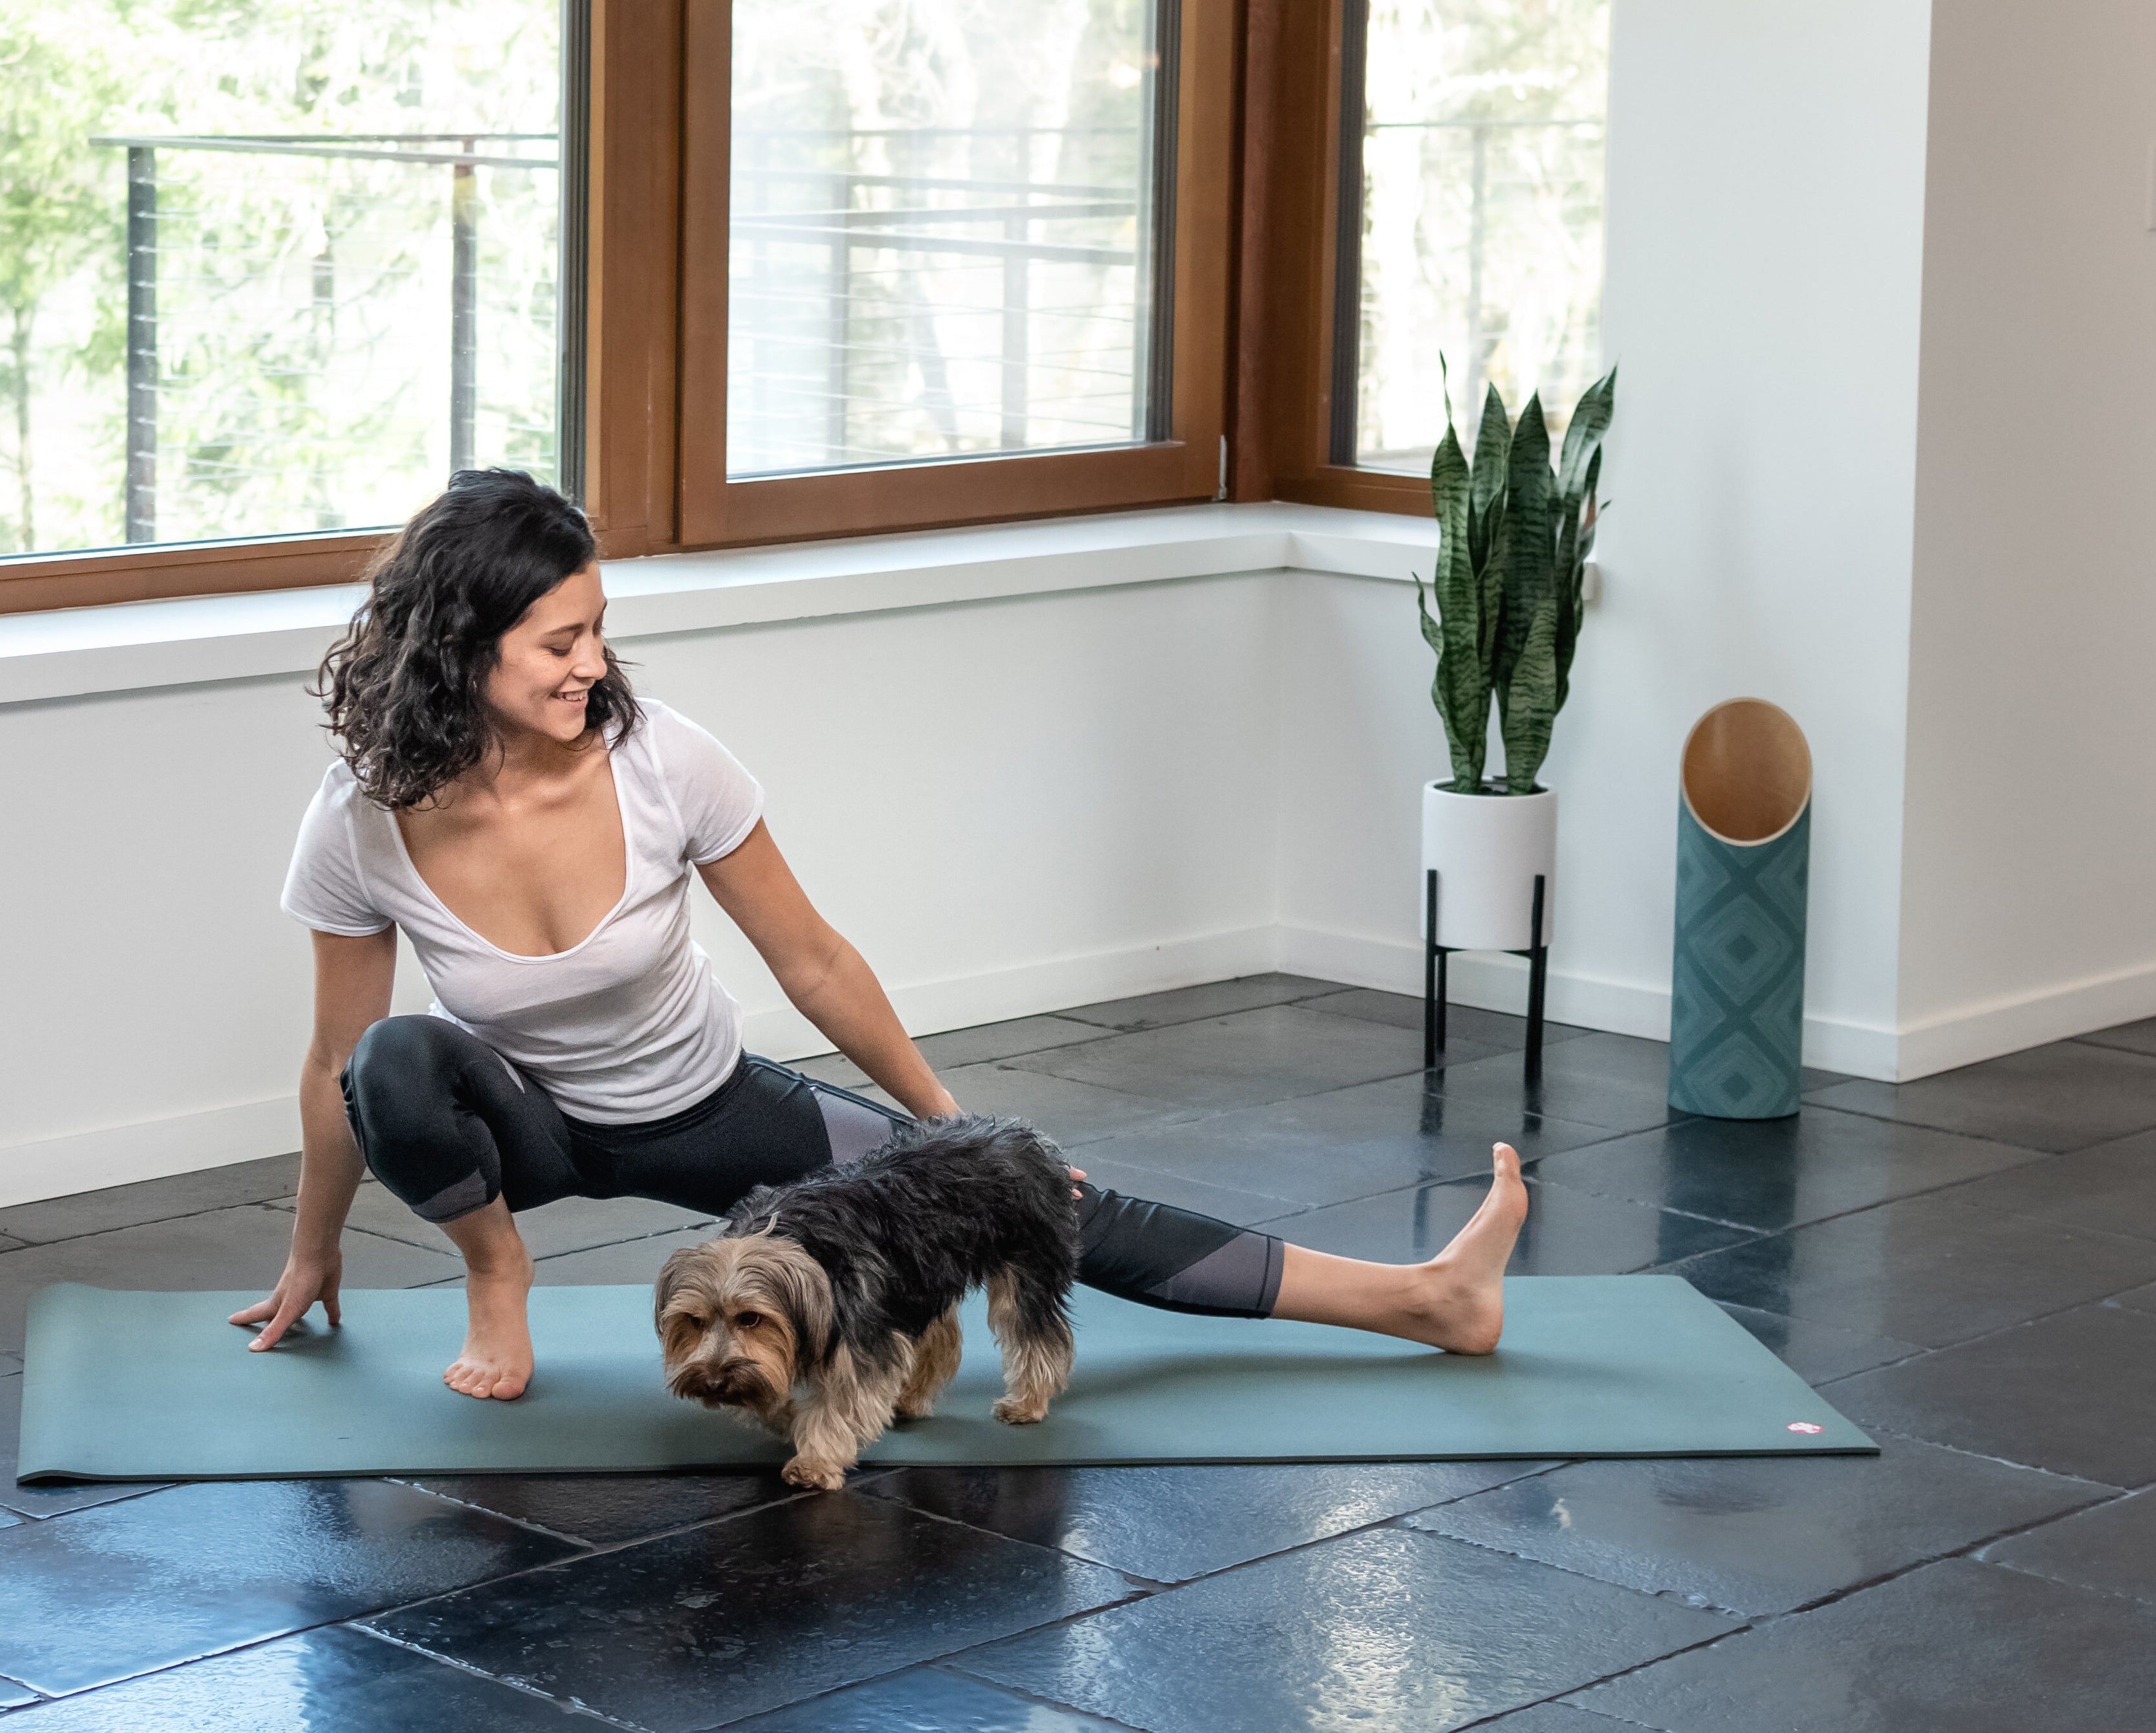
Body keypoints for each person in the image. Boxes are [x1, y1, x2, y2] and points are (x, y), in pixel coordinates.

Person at [234, 469, 1528, 1400]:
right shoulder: (362, 819)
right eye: (560, 640)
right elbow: (333, 1068)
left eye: (600, 630)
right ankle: (493, 1276)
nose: (594, 663)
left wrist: (954, 1130)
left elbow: (812, 961)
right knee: (390, 1060)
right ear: (462, 649)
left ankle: (1420, 1299)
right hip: (526, 1134)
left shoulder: (657, 760)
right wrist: (312, 1247)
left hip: (704, 1107)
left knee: (1042, 1200)